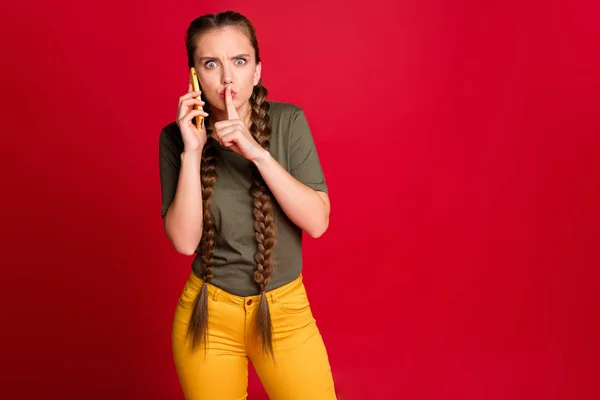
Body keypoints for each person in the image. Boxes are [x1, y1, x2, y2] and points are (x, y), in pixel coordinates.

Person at [158, 10, 337, 400]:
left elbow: (318, 222)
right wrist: (192, 152)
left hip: (284, 311)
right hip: (207, 317)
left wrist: (257, 153)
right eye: (211, 64)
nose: (226, 78)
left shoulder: (289, 122)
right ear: (194, 76)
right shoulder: (176, 138)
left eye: (239, 61)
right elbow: (185, 243)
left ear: (256, 71)